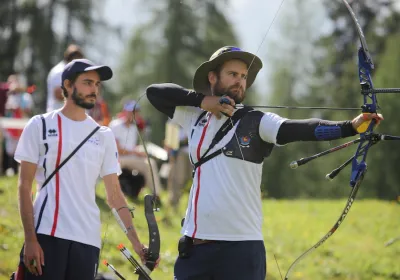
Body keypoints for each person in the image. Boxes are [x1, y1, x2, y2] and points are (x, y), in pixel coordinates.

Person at [145, 46, 383, 280]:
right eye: (232, 74)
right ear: (212, 77)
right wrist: (203, 101)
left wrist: (349, 127)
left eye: (244, 76)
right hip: (195, 247)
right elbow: (155, 92)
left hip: (241, 249)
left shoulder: (257, 122)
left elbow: (297, 128)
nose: (240, 81)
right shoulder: (194, 117)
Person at [14, 59, 147, 280]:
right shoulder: (40, 125)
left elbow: (114, 196)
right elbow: (24, 185)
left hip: (88, 241)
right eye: (87, 82)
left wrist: (137, 244)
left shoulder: (104, 136)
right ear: (67, 85)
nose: (94, 89)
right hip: (47, 234)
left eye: (96, 84)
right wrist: (30, 239)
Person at [109, 100, 162, 195]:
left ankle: (155, 195)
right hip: (117, 158)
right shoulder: (115, 125)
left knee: (150, 163)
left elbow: (131, 147)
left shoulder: (133, 128)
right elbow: (117, 150)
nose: (134, 114)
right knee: (149, 163)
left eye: (136, 112)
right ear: (125, 111)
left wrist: (139, 151)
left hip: (128, 157)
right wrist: (136, 153)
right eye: (132, 111)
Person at [46, 44, 84, 112]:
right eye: (75, 55)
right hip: (56, 116)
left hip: (67, 116)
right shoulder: (59, 71)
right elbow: (58, 94)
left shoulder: (72, 70)